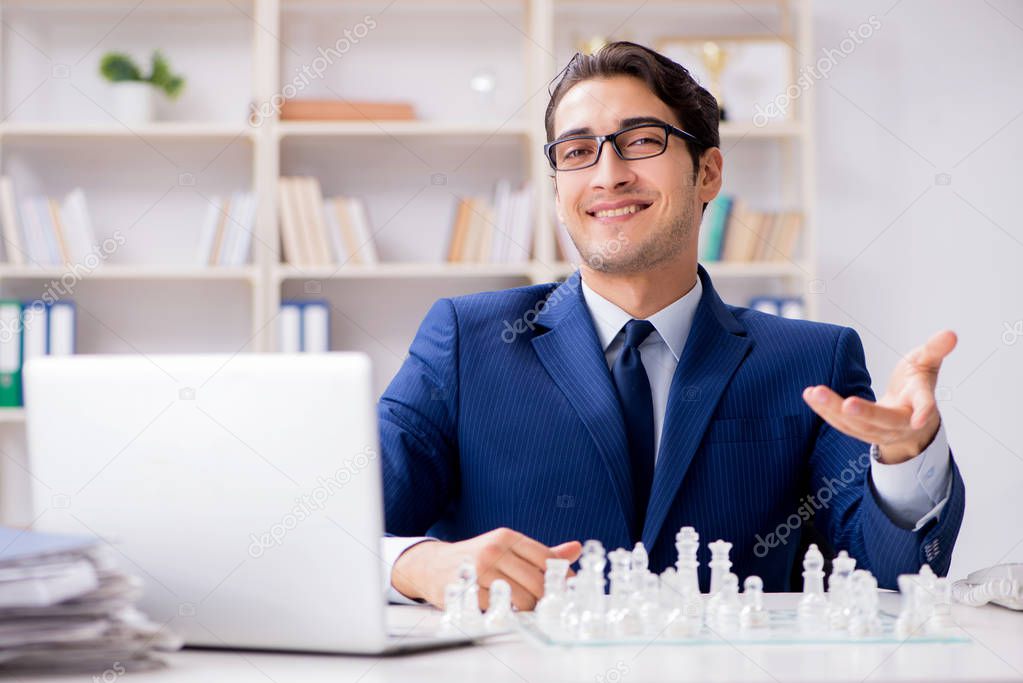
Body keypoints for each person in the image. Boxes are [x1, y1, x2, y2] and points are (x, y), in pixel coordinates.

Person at [379, 42, 964, 610]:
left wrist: (906, 457)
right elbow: (338, 532)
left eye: (640, 141)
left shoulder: (813, 360)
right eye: (578, 152)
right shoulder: (465, 341)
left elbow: (893, 577)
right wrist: (417, 564)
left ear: (707, 173)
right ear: (558, 191)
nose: (608, 175)